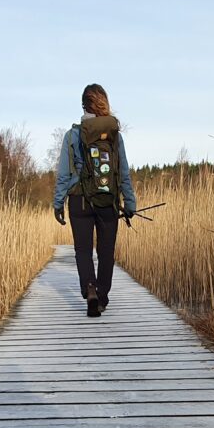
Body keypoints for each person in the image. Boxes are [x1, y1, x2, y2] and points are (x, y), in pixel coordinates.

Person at [53, 84, 137, 317]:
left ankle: (89, 288)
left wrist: (58, 203)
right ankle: (102, 296)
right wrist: (129, 203)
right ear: (104, 102)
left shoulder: (72, 135)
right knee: (106, 251)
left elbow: (63, 174)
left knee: (83, 250)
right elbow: (123, 172)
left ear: (83, 105)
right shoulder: (114, 135)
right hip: (108, 200)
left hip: (79, 199)